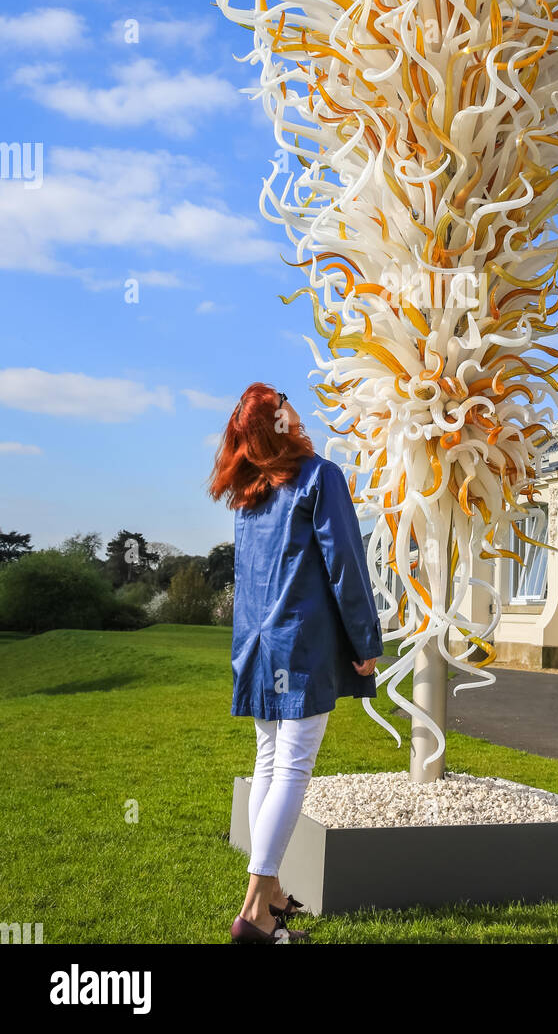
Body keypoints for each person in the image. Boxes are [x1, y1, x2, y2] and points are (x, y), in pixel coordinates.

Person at [208, 382, 383, 944]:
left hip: (257, 646)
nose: (293, 403)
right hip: (300, 646)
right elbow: (346, 565)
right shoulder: (320, 475)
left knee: (268, 761)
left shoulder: (247, 493)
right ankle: (257, 911)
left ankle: (274, 894)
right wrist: (365, 642)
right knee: (291, 768)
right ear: (279, 419)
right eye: (283, 400)